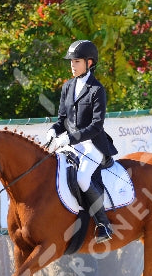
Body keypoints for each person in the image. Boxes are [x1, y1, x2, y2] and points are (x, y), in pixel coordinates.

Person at [42, 39, 118, 243]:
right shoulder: (67, 87)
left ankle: (103, 224)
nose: (72, 65)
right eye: (71, 61)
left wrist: (70, 137)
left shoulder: (96, 90)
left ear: (89, 63)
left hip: (92, 145)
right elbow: (61, 120)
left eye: (76, 61)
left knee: (82, 178)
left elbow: (96, 126)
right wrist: (52, 131)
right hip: (70, 144)